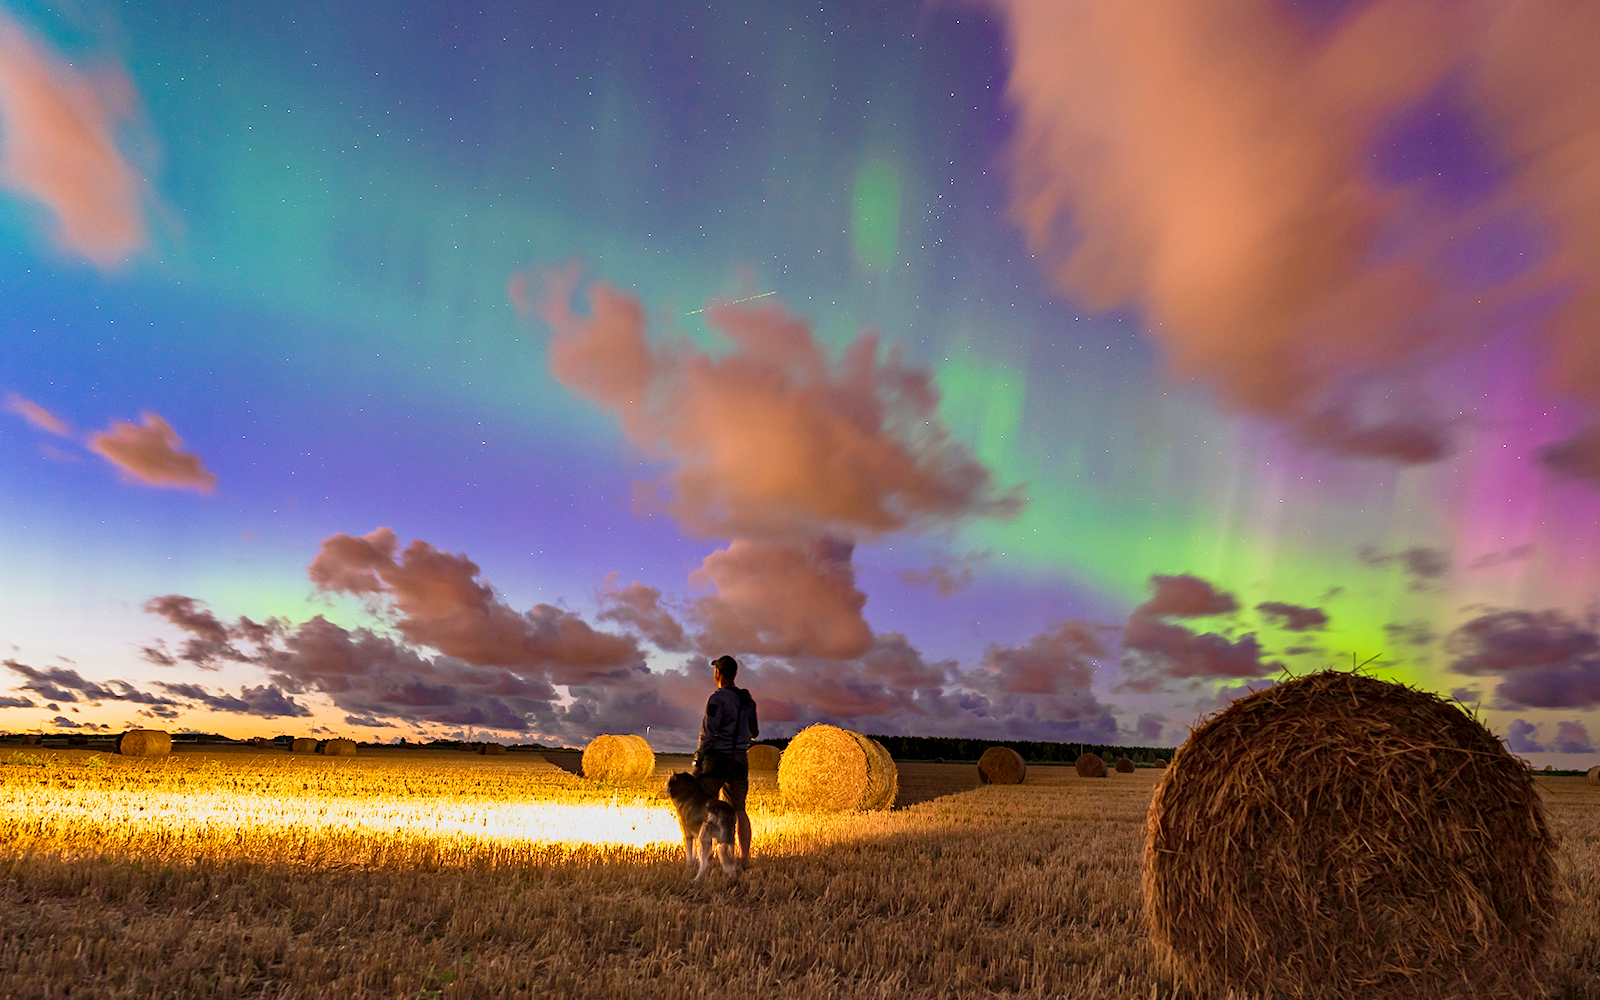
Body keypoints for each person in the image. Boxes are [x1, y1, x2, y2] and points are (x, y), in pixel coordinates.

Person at [693, 654, 757, 867]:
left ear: (718, 673)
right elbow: (755, 732)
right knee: (739, 809)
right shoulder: (748, 700)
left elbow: (708, 733)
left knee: (707, 806)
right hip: (740, 758)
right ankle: (745, 858)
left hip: (717, 759)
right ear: (736, 673)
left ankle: (708, 854)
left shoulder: (716, 699)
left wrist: (697, 762)